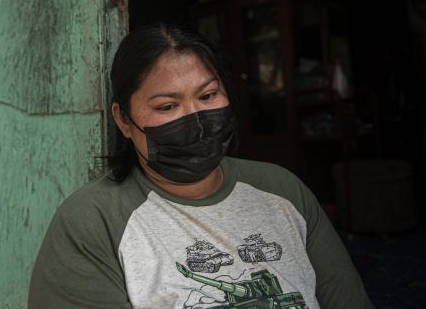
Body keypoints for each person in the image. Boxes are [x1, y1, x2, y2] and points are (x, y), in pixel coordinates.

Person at [28, 23, 373, 309]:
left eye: (208, 96)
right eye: (167, 106)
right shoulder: (94, 220)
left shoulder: (282, 191)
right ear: (124, 121)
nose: (196, 120)